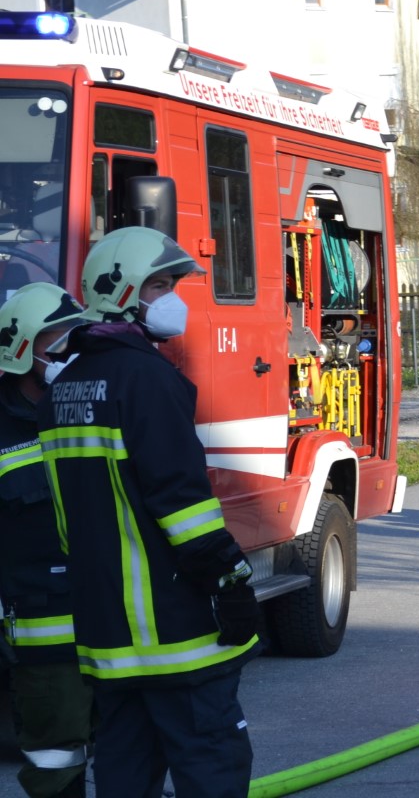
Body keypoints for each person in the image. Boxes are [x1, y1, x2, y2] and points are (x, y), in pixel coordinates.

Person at [39, 227, 261, 797]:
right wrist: (229, 577)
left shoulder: (66, 386)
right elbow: (181, 502)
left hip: (109, 636)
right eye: (162, 286)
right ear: (124, 294)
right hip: (174, 629)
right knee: (212, 765)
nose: (173, 300)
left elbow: (67, 519)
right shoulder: (147, 379)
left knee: (125, 772)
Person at [0, 283, 95, 798]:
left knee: (131, 749)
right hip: (43, 633)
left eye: (75, 334)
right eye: (56, 338)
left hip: (118, 620)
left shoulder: (97, 404)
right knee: (56, 761)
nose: (69, 348)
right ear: (21, 349)